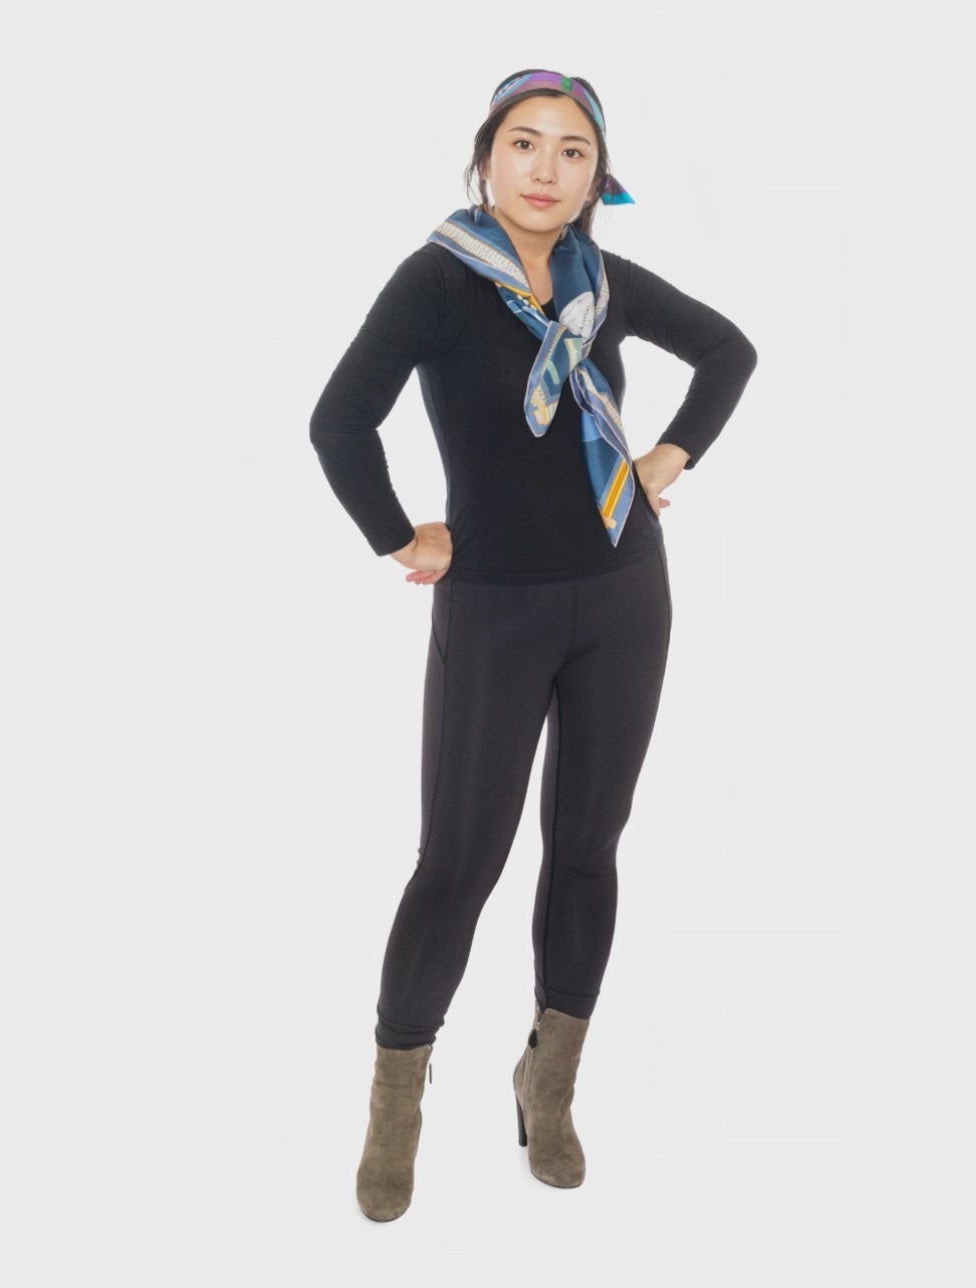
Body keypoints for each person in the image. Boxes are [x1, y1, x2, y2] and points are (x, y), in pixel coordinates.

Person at [308, 69, 757, 1219]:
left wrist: (668, 458)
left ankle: (547, 1086)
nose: (546, 169)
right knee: (459, 860)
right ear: (487, 155)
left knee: (588, 848)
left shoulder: (604, 281)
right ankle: (395, 1105)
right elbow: (339, 419)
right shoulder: (440, 280)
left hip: (625, 596)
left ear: (597, 175)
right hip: (495, 609)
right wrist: (397, 533)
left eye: (572, 150)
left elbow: (729, 350)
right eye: (524, 143)